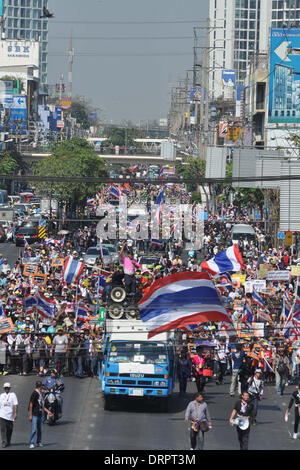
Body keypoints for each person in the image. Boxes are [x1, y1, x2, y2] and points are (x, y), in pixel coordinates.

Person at [28, 381, 53, 449]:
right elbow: (31, 404)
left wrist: (48, 411)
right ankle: (31, 443)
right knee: (34, 429)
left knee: (40, 429)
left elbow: (41, 405)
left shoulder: (40, 394)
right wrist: (30, 415)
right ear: (40, 386)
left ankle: (38, 442)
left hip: (40, 413)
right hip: (34, 413)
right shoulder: (35, 393)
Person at [0, 383, 18, 448]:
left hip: (10, 415)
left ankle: (8, 441)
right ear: (4, 388)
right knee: (3, 429)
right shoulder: (1, 395)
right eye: (5, 388)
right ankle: (4, 442)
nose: (6, 389)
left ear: (9, 388)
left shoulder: (13, 395)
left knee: (9, 429)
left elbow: (15, 404)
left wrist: (15, 413)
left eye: (7, 388)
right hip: (2, 415)